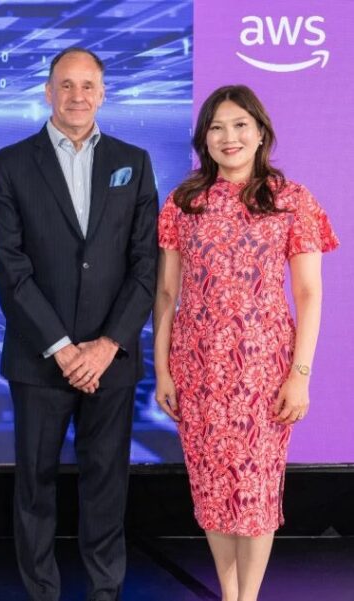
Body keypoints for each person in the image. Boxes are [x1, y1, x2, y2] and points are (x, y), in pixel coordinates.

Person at [153, 84, 338, 601]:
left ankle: (247, 597)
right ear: (204, 138)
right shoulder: (184, 202)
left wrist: (299, 376)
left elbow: (308, 293)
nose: (228, 137)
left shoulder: (291, 200)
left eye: (239, 126)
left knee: (254, 492)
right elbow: (167, 293)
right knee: (212, 488)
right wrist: (164, 369)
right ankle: (229, 592)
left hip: (264, 371)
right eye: (216, 127)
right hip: (198, 369)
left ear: (260, 133)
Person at [0, 47, 158, 601]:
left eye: (88, 85)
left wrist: (108, 343)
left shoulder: (135, 160)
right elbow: (10, 268)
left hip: (112, 358)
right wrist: (62, 348)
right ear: (48, 91)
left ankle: (105, 591)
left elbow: (145, 263)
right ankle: (42, 592)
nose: (77, 95)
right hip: (40, 358)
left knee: (106, 482)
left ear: (103, 93)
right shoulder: (11, 162)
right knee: (34, 484)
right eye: (66, 85)